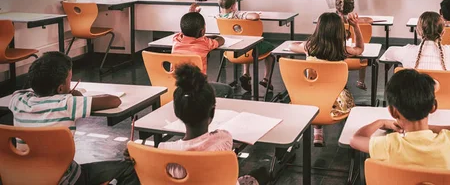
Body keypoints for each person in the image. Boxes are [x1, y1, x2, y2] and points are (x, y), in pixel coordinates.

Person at [8, 52, 139, 185]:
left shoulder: (17, 100)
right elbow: (114, 101)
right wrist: (78, 97)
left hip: (23, 177)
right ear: (60, 89)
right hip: (65, 180)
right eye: (69, 81)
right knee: (128, 168)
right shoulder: (67, 103)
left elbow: (26, 91)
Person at [157, 63, 269, 185]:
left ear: (177, 112)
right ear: (212, 112)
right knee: (261, 174)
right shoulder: (223, 139)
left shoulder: (164, 150)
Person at [350, 69, 450, 170]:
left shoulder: (389, 144)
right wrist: (430, 128)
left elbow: (355, 139)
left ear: (393, 112)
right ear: (433, 107)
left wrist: (380, 122)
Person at [290, 12, 364, 147]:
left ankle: (317, 133)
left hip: (309, 99)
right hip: (337, 102)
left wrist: (302, 44)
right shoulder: (343, 50)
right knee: (336, 93)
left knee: (317, 92)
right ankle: (348, 135)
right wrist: (355, 26)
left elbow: (291, 46)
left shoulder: (309, 46)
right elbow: (360, 48)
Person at [217, 0, 276, 92]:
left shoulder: (219, 16)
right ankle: (266, 79)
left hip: (230, 51)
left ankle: (246, 74)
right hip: (248, 50)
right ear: (233, 5)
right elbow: (255, 17)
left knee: (245, 41)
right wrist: (249, 13)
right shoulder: (238, 14)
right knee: (271, 51)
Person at [172, 6, 234, 98]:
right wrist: (211, 37)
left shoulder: (176, 39)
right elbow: (221, 40)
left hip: (177, 87)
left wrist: (190, 13)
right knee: (228, 90)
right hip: (199, 89)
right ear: (202, 31)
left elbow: (184, 30)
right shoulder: (205, 43)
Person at [383, 11, 450, 71]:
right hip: (445, 102)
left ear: (418, 31)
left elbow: (388, 53)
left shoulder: (407, 51)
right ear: (443, 32)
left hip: (413, 103)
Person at [335, 0, 373, 90]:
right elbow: (370, 20)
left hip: (335, 59)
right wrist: (356, 22)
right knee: (363, 55)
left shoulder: (331, 22)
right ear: (352, 7)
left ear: (337, 7)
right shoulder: (357, 21)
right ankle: (361, 81)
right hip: (356, 57)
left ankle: (342, 82)